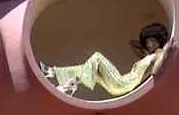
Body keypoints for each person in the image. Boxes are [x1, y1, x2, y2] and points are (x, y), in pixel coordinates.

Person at [40, 23, 177, 97]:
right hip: (118, 86)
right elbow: (132, 43)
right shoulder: (147, 56)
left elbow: (155, 71)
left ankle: (67, 81)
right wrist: (146, 46)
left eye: (152, 41)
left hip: (123, 84)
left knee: (97, 57)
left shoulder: (157, 56)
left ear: (160, 41)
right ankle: (55, 72)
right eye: (147, 41)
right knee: (89, 69)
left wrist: (165, 50)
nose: (149, 44)